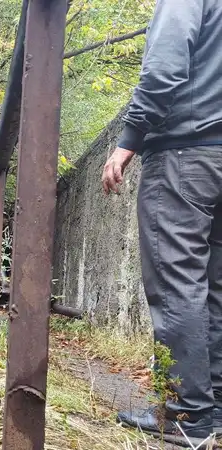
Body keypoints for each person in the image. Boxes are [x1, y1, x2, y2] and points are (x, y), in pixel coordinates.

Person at [101, 0, 222, 440]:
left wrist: (129, 138)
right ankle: (215, 410)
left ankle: (188, 416)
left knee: (177, 282)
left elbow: (165, 66)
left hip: (185, 154)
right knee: (214, 285)